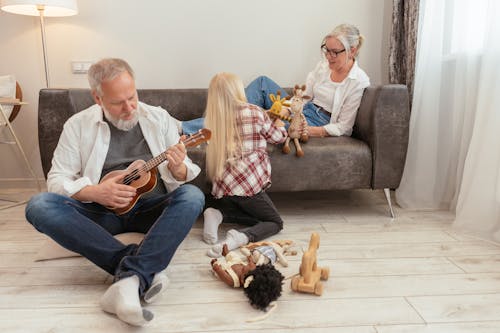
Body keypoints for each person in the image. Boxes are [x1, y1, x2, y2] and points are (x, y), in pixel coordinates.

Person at [24, 58, 205, 326]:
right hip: (102, 212)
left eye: (132, 97)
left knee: (193, 197)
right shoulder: (77, 125)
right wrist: (94, 192)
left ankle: (128, 281)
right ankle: (139, 272)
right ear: (98, 98)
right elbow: (56, 180)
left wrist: (178, 168)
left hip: (149, 210)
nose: (129, 108)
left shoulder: (158, 118)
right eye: (118, 103)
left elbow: (184, 174)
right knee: (39, 205)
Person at [181, 23, 370, 138]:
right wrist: (284, 107)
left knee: (251, 120)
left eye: (334, 52)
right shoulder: (323, 67)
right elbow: (304, 97)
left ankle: (184, 128)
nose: (328, 56)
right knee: (262, 83)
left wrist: (309, 129)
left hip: (317, 121)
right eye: (326, 50)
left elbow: (344, 127)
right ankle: (222, 120)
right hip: (305, 108)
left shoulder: (358, 81)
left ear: (352, 50)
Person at [200, 72, 287, 258]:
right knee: (274, 222)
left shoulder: (213, 120)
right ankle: (240, 238)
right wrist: (279, 123)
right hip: (248, 188)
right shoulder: (255, 112)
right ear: (238, 90)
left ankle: (218, 214)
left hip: (223, 187)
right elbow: (278, 138)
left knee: (254, 216)